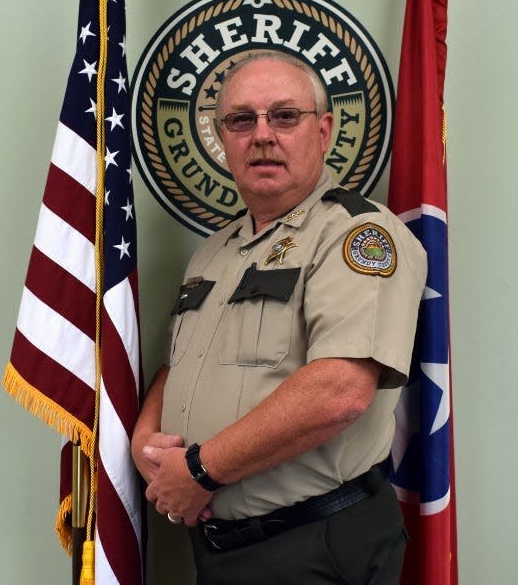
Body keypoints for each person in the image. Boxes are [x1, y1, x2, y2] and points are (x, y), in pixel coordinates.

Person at [130, 51, 427, 585]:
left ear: (325, 129)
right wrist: (147, 440)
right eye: (242, 120)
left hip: (313, 546)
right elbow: (181, 365)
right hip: (221, 547)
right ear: (223, 139)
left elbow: (339, 391)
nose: (262, 134)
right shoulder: (215, 251)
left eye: (285, 116)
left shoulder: (357, 235)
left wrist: (198, 471)